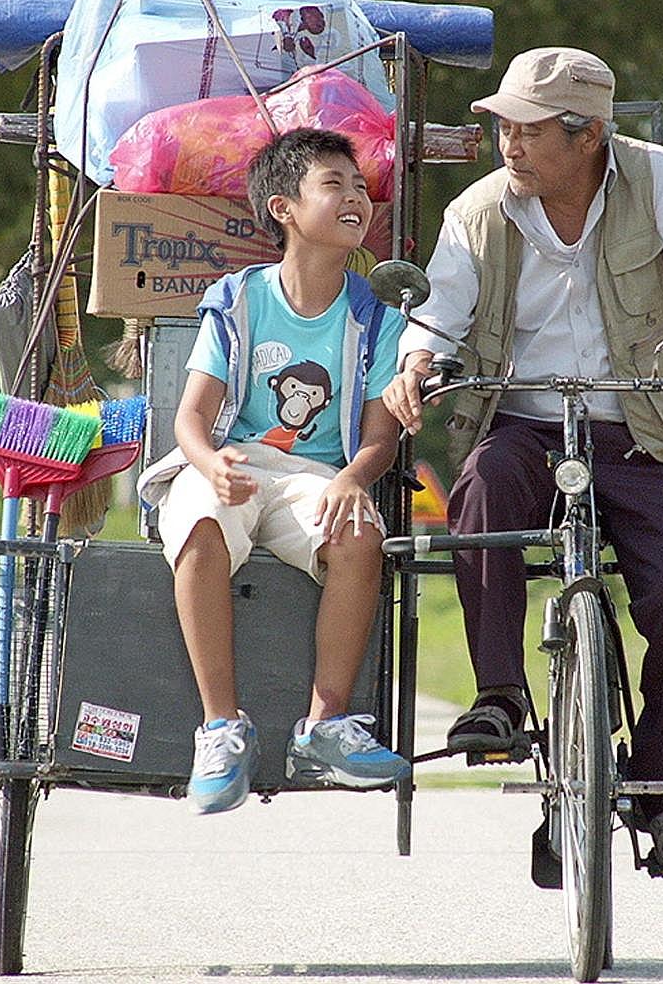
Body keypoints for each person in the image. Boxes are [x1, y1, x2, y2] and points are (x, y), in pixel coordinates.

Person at [381, 48, 663, 876]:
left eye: (528, 128)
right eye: (504, 125)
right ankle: (500, 696)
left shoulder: (660, 180)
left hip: (642, 429)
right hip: (523, 424)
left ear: (588, 136)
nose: (509, 142)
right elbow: (440, 309)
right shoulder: (481, 210)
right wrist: (415, 367)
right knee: (482, 487)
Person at [137, 128, 411, 815]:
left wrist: (353, 478)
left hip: (315, 474)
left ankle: (324, 725)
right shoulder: (239, 299)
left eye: (359, 187)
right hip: (233, 461)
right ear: (284, 208)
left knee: (358, 536)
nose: (355, 198)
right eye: (334, 186)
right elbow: (191, 420)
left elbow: (381, 436)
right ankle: (222, 727)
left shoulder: (374, 319)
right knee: (200, 519)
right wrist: (210, 464)